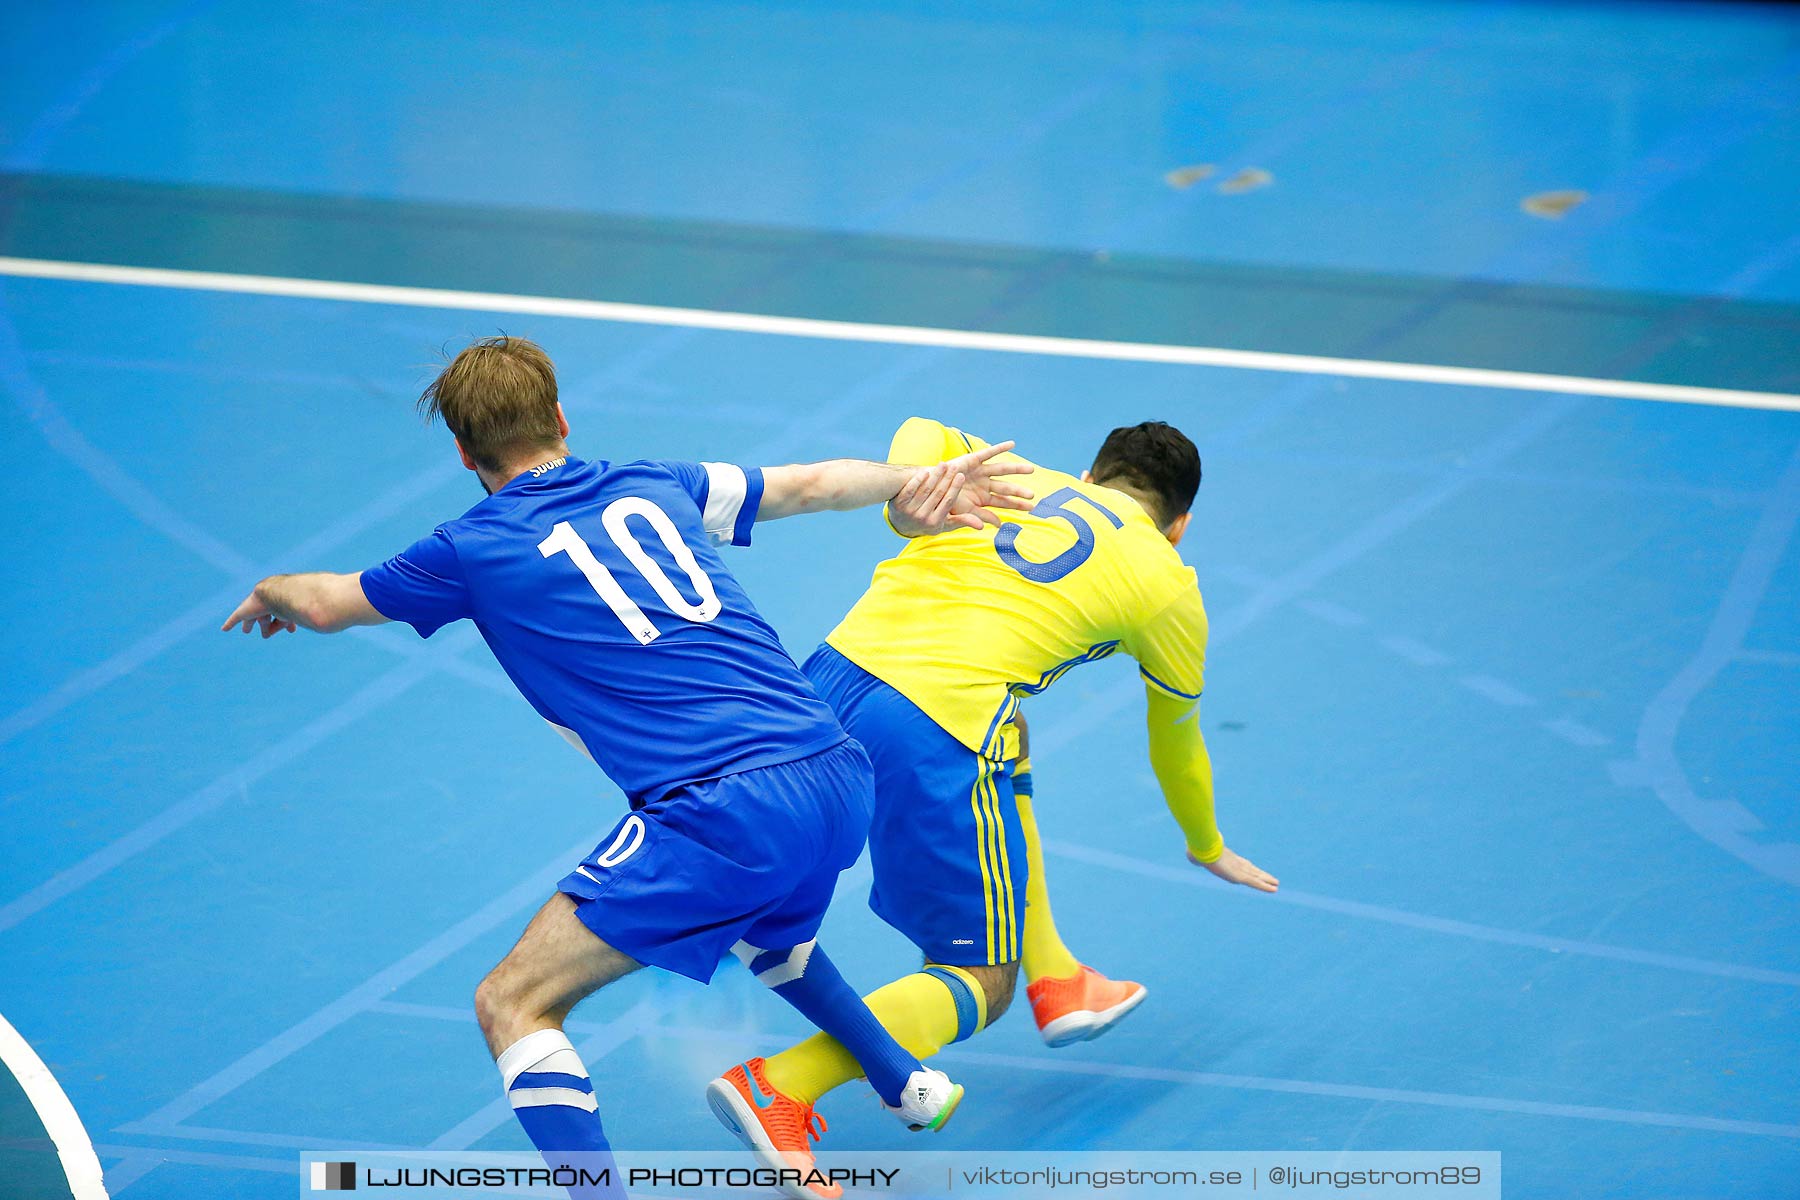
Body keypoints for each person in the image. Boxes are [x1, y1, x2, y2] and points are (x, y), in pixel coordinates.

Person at [220, 339, 1035, 1200]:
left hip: (724, 806)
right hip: (834, 769)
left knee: (513, 1001)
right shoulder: (657, 481)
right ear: (561, 420)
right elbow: (810, 484)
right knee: (771, 925)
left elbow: (323, 602)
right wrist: (918, 480)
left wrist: (271, 589)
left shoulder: (469, 548)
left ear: (463, 453)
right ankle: (904, 1081)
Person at [713, 417, 1277, 1160]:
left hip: (823, 680)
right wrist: (1207, 844)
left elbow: (920, 427)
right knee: (978, 977)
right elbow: (1176, 740)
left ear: (1090, 473)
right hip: (932, 727)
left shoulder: (1019, 477)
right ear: (1180, 526)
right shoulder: (1170, 585)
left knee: (1011, 733)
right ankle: (782, 1082)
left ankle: (1060, 976)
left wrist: (904, 500)